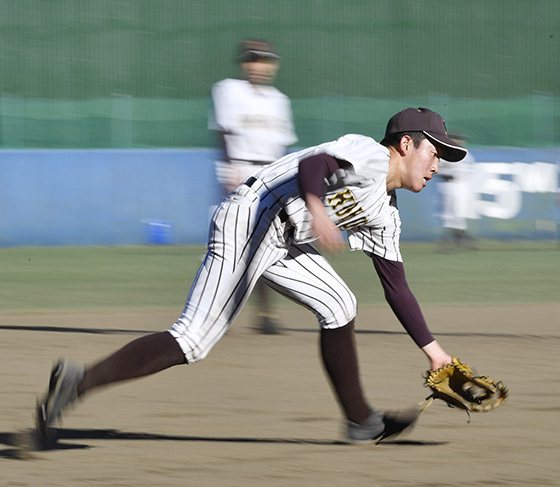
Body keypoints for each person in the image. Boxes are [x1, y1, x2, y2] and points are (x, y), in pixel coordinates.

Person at [35, 107, 467, 445]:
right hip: (251, 216)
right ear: (406, 144)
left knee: (340, 305)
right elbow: (314, 165)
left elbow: (396, 287)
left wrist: (435, 354)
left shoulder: (387, 216)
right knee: (193, 339)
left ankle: (360, 422)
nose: (437, 165)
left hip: (282, 239)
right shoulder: (371, 155)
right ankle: (79, 382)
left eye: (444, 158)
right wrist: (317, 208)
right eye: (435, 152)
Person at [209, 38, 298, 334]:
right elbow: (223, 133)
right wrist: (227, 169)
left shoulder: (280, 101)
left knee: (267, 246)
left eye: (264, 59)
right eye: (252, 59)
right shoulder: (228, 90)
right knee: (231, 245)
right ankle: (214, 311)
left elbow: (283, 149)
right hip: (242, 171)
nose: (258, 65)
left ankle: (266, 314)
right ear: (244, 63)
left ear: (274, 65)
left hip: (272, 175)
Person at [435, 131, 477, 253]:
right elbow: (438, 170)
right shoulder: (445, 154)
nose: (457, 141)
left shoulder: (466, 155)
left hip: (460, 186)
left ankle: (454, 242)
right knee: (447, 216)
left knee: (458, 214)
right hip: (445, 186)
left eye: (459, 139)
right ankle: (460, 240)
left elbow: (469, 171)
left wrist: (453, 173)